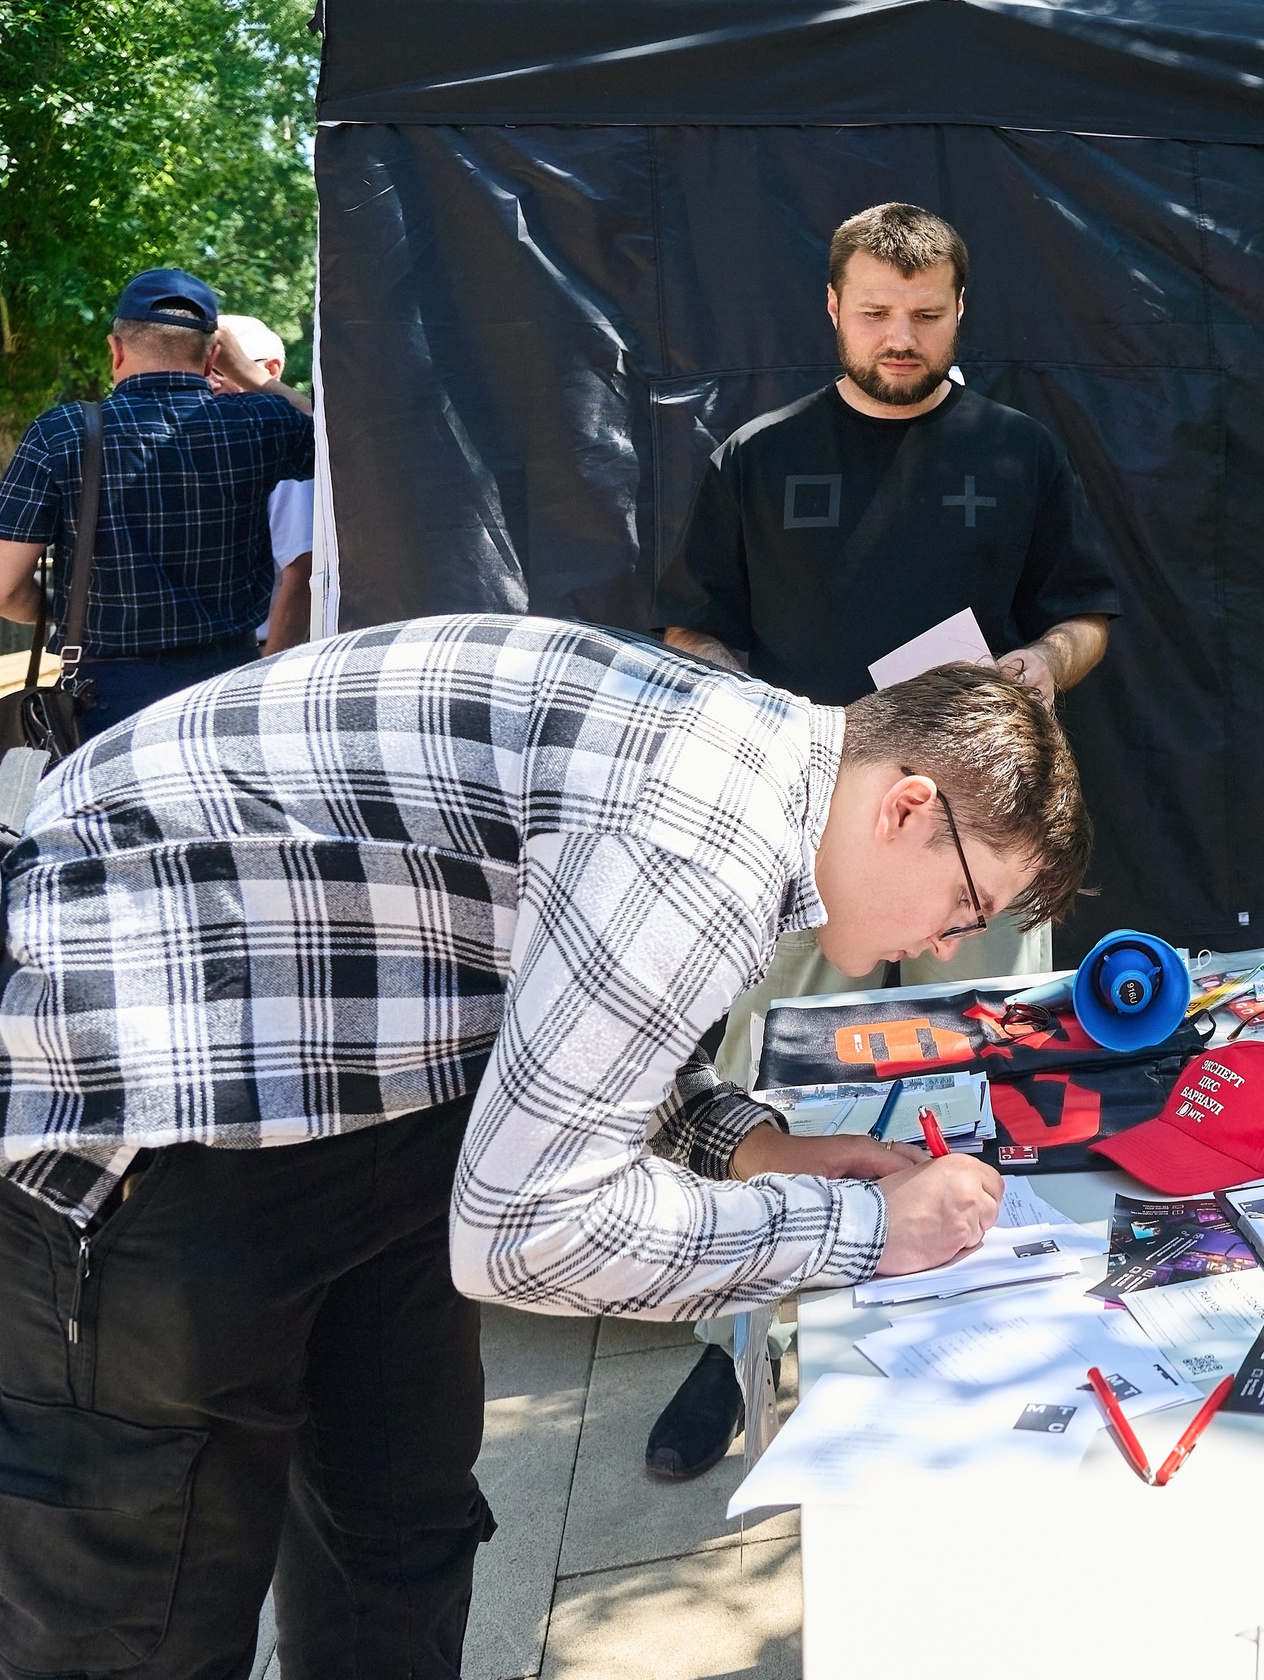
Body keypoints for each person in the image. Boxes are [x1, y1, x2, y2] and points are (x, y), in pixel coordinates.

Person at [0, 615, 1081, 1679]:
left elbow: (578, 1022)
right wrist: (866, 1228)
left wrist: (762, 1150)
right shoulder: (702, 834)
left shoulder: (749, 760)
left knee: (397, 1531)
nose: (941, 947)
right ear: (905, 806)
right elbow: (526, 1232)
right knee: (146, 1614)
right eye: (962, 908)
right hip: (146, 1116)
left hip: (372, 1086)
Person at [647, 201, 1121, 1477]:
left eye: (923, 315)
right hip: (801, 840)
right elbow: (690, 630)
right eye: (875, 314)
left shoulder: (1016, 450)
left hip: (987, 833)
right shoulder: (757, 454)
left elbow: (1088, 616)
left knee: (999, 1073)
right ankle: (732, 1347)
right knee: (774, 1083)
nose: (898, 337)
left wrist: (1041, 663)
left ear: (960, 310)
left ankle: (999, 1320)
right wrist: (751, 708)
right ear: (833, 311)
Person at [0, 268, 314, 733]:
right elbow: (344, 437)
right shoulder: (260, 424)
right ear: (213, 359)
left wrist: (62, 603)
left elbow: (4, 588)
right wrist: (253, 376)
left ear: (116, 350)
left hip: (105, 696)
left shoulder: (61, 435)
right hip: (230, 686)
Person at [208, 314, 316, 654]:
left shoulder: (280, 445)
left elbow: (302, 574)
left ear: (269, 369)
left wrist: (265, 672)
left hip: (260, 656)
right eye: (199, 370)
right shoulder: (222, 440)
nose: (208, 383)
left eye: (221, 368)